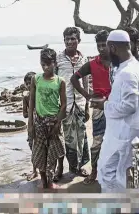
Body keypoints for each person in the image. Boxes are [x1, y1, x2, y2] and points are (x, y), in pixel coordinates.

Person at [94, 30, 139, 193]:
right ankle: (132, 210)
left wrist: (104, 105)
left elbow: (129, 106)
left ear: (113, 48)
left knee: (107, 173)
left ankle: (114, 211)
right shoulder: (134, 66)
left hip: (122, 135)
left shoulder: (128, 72)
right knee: (131, 175)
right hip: (129, 132)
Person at [70, 30, 111, 185]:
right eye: (99, 45)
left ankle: (110, 172)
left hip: (117, 108)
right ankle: (94, 171)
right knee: (97, 142)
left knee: (115, 141)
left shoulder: (119, 63)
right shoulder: (93, 63)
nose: (101, 48)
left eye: (104, 45)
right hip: (99, 108)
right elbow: (74, 78)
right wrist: (86, 95)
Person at [28, 48, 67, 189]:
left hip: (53, 122)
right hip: (39, 122)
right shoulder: (36, 79)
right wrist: (30, 124)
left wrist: (58, 123)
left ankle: (50, 180)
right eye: (42, 64)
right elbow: (31, 102)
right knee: (39, 154)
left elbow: (63, 105)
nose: (45, 67)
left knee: (52, 154)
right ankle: (43, 180)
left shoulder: (59, 81)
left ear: (54, 63)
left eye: (48, 64)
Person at [55, 27, 90, 180]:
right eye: (67, 39)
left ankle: (79, 167)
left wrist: (87, 105)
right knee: (68, 138)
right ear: (64, 41)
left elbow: (86, 82)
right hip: (65, 104)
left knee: (81, 136)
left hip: (81, 103)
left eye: (73, 39)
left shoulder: (83, 59)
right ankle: (68, 167)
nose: (70, 42)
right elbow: (53, 81)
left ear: (78, 41)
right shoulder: (58, 58)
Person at [21, 71, 39, 181]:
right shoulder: (26, 97)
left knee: (43, 148)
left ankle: (45, 170)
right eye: (27, 83)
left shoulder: (41, 94)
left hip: (42, 124)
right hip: (32, 126)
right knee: (33, 148)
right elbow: (24, 114)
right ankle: (34, 170)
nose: (29, 85)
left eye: (30, 83)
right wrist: (32, 112)